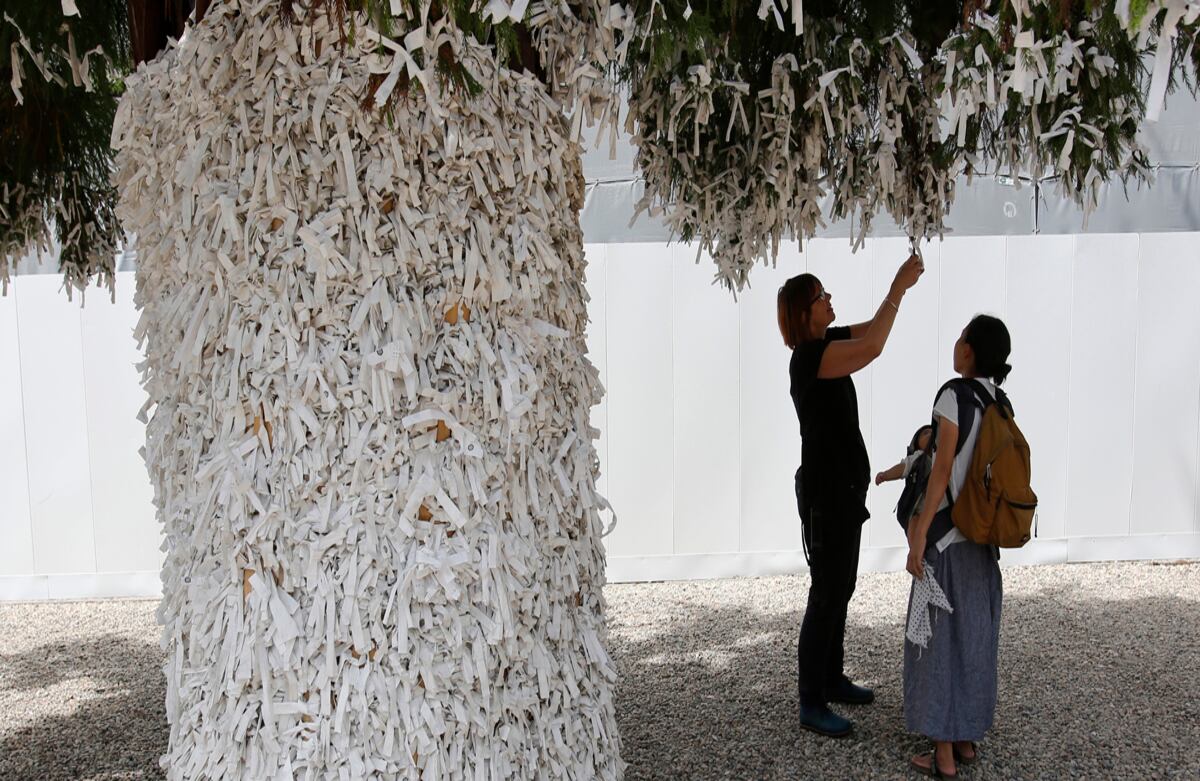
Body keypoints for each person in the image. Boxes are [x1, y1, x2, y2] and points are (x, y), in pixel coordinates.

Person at [778, 252, 924, 738]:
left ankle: (832, 677)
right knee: (825, 594)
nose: (829, 300)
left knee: (841, 587)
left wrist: (897, 295)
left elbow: (870, 333)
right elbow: (875, 347)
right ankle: (810, 700)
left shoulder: (830, 342)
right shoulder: (809, 358)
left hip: (843, 492)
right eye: (821, 296)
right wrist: (897, 286)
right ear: (804, 312)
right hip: (826, 496)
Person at [903, 314, 1013, 778]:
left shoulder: (953, 395)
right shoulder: (1000, 402)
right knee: (973, 641)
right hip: (983, 543)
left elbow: (942, 468)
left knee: (935, 643)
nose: (956, 342)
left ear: (968, 351)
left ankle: (943, 753)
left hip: (946, 541)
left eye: (961, 336)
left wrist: (920, 533)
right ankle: (966, 740)